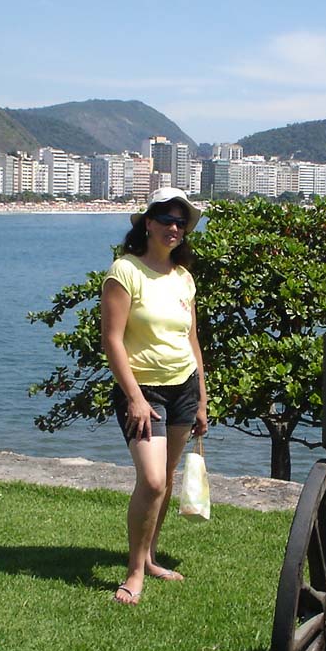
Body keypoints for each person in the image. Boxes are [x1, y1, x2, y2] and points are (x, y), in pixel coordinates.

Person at [101, 187, 209, 605]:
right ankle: (134, 571)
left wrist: (201, 397)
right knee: (151, 479)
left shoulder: (184, 277)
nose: (175, 227)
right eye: (166, 219)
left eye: (181, 222)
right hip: (143, 390)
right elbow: (112, 340)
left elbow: (192, 339)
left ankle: (148, 558)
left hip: (183, 386)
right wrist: (134, 398)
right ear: (147, 223)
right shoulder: (124, 271)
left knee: (164, 482)